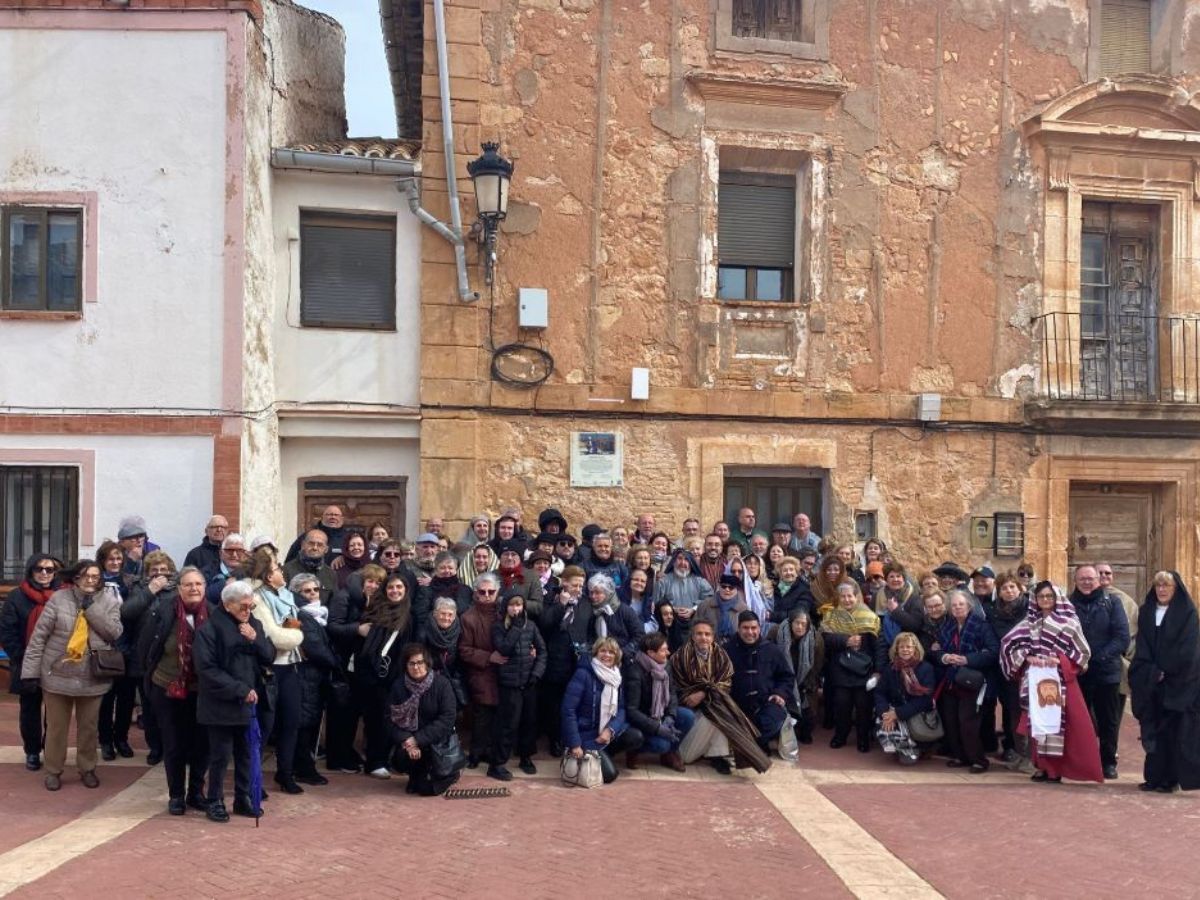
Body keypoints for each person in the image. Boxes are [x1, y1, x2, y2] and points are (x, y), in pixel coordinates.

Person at [19, 560, 122, 791]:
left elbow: (114, 632)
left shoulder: (108, 601)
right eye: (85, 576)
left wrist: (91, 608)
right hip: (57, 674)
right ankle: (54, 770)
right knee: (56, 727)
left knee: (88, 727)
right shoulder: (58, 599)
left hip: (92, 676)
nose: (90, 580)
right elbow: (39, 638)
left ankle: (87, 768)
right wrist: (30, 674)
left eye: (95, 576)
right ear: (75, 578)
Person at [999, 580, 1102, 785]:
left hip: (1062, 682)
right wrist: (1028, 657)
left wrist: (1060, 660)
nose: (1045, 600)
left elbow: (1083, 652)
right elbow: (1007, 645)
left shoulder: (1069, 622)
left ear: (1056, 598)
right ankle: (1043, 767)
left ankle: (1060, 769)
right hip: (1037, 680)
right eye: (1041, 597)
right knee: (1038, 723)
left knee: (1064, 726)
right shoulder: (1029, 623)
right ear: (1035, 600)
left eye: (1049, 596)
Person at [194, 580, 275, 821]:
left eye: (251, 606)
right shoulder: (209, 630)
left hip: (249, 702)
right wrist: (239, 689)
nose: (247, 611)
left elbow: (269, 655)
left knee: (247, 752)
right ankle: (215, 800)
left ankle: (243, 798)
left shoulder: (254, 625)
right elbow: (207, 669)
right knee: (220, 755)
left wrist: (256, 639)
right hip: (220, 702)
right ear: (228, 604)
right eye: (243, 606)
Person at [137, 566, 210, 813]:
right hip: (167, 689)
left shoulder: (215, 613)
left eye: (198, 584)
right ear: (179, 589)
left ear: (205, 588)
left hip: (202, 692)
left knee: (202, 744)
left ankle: (196, 793)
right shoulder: (163, 612)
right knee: (174, 744)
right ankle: (176, 795)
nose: (193, 589)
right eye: (188, 584)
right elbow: (146, 647)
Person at [1129, 571, 1200, 793]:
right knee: (1153, 730)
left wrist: (1167, 670)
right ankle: (1154, 777)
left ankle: (1172, 779)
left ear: (1175, 589)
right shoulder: (1147, 611)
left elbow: (1188, 649)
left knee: (1176, 732)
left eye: (1166, 586)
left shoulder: (1187, 613)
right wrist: (1151, 671)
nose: (1162, 590)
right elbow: (1143, 645)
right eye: (1158, 586)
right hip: (1152, 682)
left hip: (1179, 683)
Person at [672, 621, 770, 774]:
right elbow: (678, 687)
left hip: (713, 705)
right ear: (692, 636)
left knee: (720, 711)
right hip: (688, 710)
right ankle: (705, 752)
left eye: (707, 634)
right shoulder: (680, 657)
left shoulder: (720, 654)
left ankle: (717, 756)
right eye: (699, 634)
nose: (703, 638)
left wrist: (704, 692)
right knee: (687, 755)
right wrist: (700, 693)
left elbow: (726, 682)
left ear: (713, 637)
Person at [248, 550, 306, 794]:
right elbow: (276, 636)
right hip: (269, 669)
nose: (282, 571)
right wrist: (298, 635)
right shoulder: (257, 599)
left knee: (291, 721)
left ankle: (285, 773)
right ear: (269, 576)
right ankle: (255, 780)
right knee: (266, 725)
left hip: (291, 666)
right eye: (277, 568)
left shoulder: (287, 595)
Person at [0, 554, 62, 771]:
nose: (44, 573)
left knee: (56, 711)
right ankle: (33, 751)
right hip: (27, 661)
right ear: (30, 571)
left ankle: (52, 750)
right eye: (39, 569)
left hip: (57, 663)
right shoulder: (17, 597)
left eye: (50, 570)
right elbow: (7, 631)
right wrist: (22, 656)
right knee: (30, 710)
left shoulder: (62, 595)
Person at [351, 571, 415, 778]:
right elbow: (362, 646)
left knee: (390, 721)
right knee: (374, 720)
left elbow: (407, 648)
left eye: (399, 587)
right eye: (390, 587)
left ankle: (385, 759)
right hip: (370, 676)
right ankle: (375, 761)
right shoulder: (373, 611)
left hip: (395, 677)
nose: (394, 591)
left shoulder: (408, 616)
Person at [1070, 564, 1130, 780]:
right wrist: (1077, 660)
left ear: (1098, 580)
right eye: (1082, 578)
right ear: (1075, 580)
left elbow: (1121, 637)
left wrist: (1098, 657)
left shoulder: (1112, 602)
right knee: (1079, 720)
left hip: (1106, 671)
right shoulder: (1068, 604)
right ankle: (1082, 762)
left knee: (1108, 721)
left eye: (1090, 578)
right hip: (1078, 673)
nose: (1087, 582)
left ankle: (1108, 762)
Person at [325, 563, 387, 773]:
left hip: (363, 665)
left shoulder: (377, 603)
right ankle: (337, 758)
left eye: (379, 583)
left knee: (355, 711)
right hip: (343, 662)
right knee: (342, 712)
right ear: (362, 581)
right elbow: (333, 626)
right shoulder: (345, 597)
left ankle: (348, 752)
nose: (374, 585)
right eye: (370, 581)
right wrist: (357, 629)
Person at [561, 637, 644, 782]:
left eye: (611, 652)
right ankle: (590, 754)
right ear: (595, 653)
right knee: (609, 776)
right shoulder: (583, 674)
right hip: (585, 734)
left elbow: (622, 708)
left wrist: (610, 730)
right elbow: (568, 710)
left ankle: (604, 754)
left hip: (605, 733)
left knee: (636, 737)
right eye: (603, 651)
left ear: (616, 656)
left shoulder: (616, 676)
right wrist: (575, 744)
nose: (607, 655)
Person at [935, 589, 999, 773]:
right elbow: (935, 650)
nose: (957, 608)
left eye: (960, 604)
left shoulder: (982, 626)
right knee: (951, 720)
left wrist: (967, 659)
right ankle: (959, 756)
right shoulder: (947, 626)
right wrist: (945, 657)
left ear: (969, 605)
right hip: (950, 679)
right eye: (953, 605)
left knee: (967, 722)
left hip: (972, 680)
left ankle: (978, 759)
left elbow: (993, 651)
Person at [387, 644, 461, 796]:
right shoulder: (398, 686)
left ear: (427, 663)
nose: (416, 667)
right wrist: (407, 740)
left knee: (427, 790)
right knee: (401, 758)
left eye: (420, 662)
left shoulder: (442, 684)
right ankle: (415, 776)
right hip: (410, 742)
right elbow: (389, 718)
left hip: (437, 742)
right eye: (412, 663)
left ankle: (449, 773)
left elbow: (447, 718)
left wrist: (418, 739)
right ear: (405, 666)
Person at [491, 590, 547, 779]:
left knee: (529, 722)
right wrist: (515, 628)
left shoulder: (531, 626)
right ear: (505, 607)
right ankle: (497, 763)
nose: (516, 608)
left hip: (529, 682)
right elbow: (504, 648)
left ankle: (526, 757)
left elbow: (542, 651)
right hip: (509, 683)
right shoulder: (499, 627)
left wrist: (536, 673)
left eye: (519, 605)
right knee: (508, 725)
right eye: (512, 605)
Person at [820, 581, 881, 753]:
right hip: (840, 667)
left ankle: (863, 739)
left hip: (864, 668)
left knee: (863, 706)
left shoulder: (869, 616)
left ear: (856, 597)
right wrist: (845, 640)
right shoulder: (831, 616)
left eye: (850, 596)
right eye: (843, 596)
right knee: (842, 704)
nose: (846, 599)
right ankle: (840, 736)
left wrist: (877, 670)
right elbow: (825, 639)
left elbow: (878, 646)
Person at [291, 573, 339, 786]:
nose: (312, 594)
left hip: (315, 676)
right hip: (305, 675)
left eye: (315, 590)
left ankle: (302, 765)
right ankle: (303, 768)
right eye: (306, 590)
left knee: (310, 722)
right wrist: (336, 663)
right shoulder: (302, 615)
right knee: (305, 723)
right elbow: (315, 647)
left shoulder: (319, 614)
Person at [538, 565, 591, 757]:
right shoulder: (551, 599)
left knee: (573, 704)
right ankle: (555, 740)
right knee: (554, 705)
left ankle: (570, 739)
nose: (578, 589)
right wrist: (561, 604)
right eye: (575, 585)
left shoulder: (586, 603)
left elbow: (589, 629)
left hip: (577, 661)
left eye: (581, 586)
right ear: (565, 583)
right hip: (555, 660)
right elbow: (545, 623)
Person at [724, 611, 792, 753]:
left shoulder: (772, 650)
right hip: (735, 705)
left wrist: (779, 693)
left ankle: (752, 745)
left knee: (775, 718)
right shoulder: (726, 650)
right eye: (746, 628)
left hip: (764, 703)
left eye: (754, 628)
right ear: (738, 629)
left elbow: (786, 676)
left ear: (759, 629)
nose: (750, 632)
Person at [624, 631, 692, 771]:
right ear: (650, 653)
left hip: (661, 714)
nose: (668, 653)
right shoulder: (635, 672)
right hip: (641, 720)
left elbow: (672, 693)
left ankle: (671, 753)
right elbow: (632, 711)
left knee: (688, 716)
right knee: (661, 745)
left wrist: (670, 717)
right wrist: (657, 728)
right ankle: (635, 750)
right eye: (663, 650)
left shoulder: (665, 666)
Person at [459, 572, 504, 770]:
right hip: (481, 672)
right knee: (482, 715)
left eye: (491, 591)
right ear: (476, 593)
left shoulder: (504, 613)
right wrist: (488, 657)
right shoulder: (468, 618)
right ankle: (476, 753)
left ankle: (493, 751)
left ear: (497, 592)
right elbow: (464, 650)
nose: (487, 595)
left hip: (504, 672)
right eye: (482, 591)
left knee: (500, 716)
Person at [874, 632, 936, 764]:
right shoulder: (890, 668)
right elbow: (880, 693)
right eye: (901, 647)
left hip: (917, 711)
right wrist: (885, 713)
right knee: (882, 718)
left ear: (915, 648)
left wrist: (897, 713)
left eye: (909, 647)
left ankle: (919, 746)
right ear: (896, 649)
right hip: (895, 708)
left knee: (908, 761)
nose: (905, 650)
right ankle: (899, 745)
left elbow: (926, 699)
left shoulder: (926, 668)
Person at [987, 572, 1029, 765]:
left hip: (1028, 668)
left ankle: (1030, 753)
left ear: (1020, 589)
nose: (1009, 591)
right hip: (1005, 668)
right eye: (1004, 588)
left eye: (1012, 587)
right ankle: (1013, 748)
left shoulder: (1030, 609)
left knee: (1027, 710)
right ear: (999, 591)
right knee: (1010, 709)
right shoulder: (993, 611)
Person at [773, 608, 823, 746]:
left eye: (803, 624)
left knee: (809, 714)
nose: (800, 627)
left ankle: (805, 731)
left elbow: (817, 664)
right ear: (790, 623)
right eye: (797, 623)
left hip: (805, 680)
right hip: (782, 679)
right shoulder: (777, 633)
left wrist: (808, 683)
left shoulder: (815, 638)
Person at [587, 572, 647, 660]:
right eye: (591, 593)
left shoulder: (625, 611)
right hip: (599, 658)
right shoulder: (592, 612)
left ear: (608, 594)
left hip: (624, 659)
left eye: (597, 593)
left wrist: (622, 653)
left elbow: (640, 636)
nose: (593, 596)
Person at [653, 549, 714, 632]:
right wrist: (672, 609)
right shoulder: (663, 582)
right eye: (679, 558)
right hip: (669, 627)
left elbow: (710, 599)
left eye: (686, 560)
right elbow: (656, 603)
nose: (683, 563)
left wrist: (693, 609)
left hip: (694, 626)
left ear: (691, 563)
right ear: (673, 562)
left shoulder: (700, 581)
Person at [283, 530, 336, 605]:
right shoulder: (286, 570)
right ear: (303, 545)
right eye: (311, 543)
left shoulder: (330, 574)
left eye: (320, 545)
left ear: (326, 549)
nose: (315, 548)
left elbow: (334, 604)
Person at [696, 573, 748, 640]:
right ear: (719, 587)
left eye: (731, 587)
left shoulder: (744, 610)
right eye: (724, 586)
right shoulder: (705, 605)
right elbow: (695, 628)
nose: (727, 590)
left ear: (737, 589)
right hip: (709, 646)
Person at [183, 515, 229, 582]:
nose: (219, 530)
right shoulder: (194, 554)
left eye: (223, 527)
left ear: (227, 531)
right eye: (214, 527)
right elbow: (186, 579)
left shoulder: (233, 552)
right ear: (206, 531)